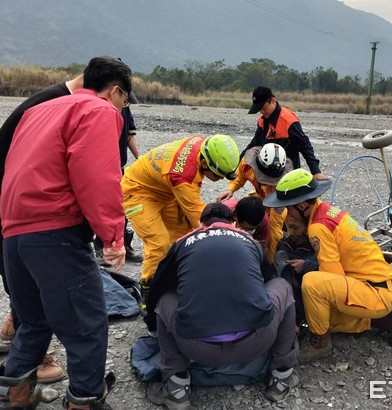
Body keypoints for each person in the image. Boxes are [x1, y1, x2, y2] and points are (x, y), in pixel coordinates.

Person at [0, 56, 131, 409]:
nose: (122, 107)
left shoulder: (39, 109)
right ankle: (85, 399)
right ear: (116, 91)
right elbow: (98, 178)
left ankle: (14, 392)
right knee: (87, 323)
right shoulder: (99, 111)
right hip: (54, 232)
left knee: (34, 319)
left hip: (13, 231)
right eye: (125, 100)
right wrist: (113, 237)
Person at [0, 74, 86, 383]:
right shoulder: (57, 103)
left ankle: (11, 328)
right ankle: (34, 359)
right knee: (25, 282)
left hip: (0, 195)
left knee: (19, 276)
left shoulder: (53, 97)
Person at [144, 203, 299, 408]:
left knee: (165, 298)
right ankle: (281, 376)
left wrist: (153, 326)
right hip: (257, 341)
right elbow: (268, 279)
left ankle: (176, 389)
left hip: (195, 348)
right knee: (282, 287)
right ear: (234, 223)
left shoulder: (183, 243)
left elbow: (157, 286)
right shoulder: (249, 241)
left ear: (201, 225)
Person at [264, 169, 392, 363]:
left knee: (313, 288)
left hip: (373, 292)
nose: (287, 214)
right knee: (317, 306)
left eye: (288, 208)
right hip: (376, 284)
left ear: (301, 205)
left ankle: (321, 343)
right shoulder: (325, 212)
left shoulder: (318, 227)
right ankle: (381, 318)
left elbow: (331, 279)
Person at [121, 134, 240, 307]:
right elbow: (201, 220)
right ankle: (149, 289)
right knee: (159, 244)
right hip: (138, 191)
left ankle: (174, 277)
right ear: (206, 163)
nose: (221, 179)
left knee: (181, 235)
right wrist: (230, 233)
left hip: (165, 190)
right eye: (219, 174)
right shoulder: (183, 177)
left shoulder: (205, 146)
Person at [217, 142, 293, 259]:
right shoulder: (248, 164)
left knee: (275, 233)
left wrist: (269, 259)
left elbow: (275, 229)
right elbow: (240, 177)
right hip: (260, 198)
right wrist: (231, 189)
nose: (266, 181)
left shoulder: (281, 189)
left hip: (280, 205)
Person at [94, 94, 143, 263]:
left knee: (124, 205)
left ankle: (123, 245)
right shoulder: (100, 109)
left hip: (119, 166)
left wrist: (139, 159)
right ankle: (101, 246)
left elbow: (130, 136)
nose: (125, 103)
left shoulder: (125, 108)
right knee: (104, 206)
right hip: (101, 167)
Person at [243, 86, 328, 181]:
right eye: (259, 109)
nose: (261, 112)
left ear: (273, 100)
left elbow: (305, 145)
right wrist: (238, 163)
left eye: (263, 107)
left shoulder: (288, 121)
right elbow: (254, 143)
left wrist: (316, 171)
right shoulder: (262, 120)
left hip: (289, 175)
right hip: (267, 175)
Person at [273, 211, 319, 327]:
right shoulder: (286, 243)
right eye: (288, 227)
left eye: (295, 227)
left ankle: (300, 321)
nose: (291, 233)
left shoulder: (318, 246)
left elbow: (329, 268)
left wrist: (307, 265)